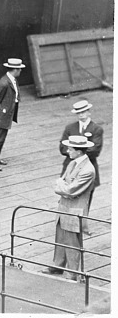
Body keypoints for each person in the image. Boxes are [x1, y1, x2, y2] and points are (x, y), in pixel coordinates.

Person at [41, 136, 96, 282]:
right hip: (64, 208)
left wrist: (60, 185)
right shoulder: (72, 163)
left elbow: (70, 190)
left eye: (70, 149)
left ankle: (72, 273)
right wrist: (63, 186)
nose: (67, 151)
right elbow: (65, 185)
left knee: (72, 242)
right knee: (60, 238)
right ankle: (57, 265)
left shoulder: (88, 170)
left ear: (79, 151)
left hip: (74, 211)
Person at [59, 100, 103, 233]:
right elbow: (62, 148)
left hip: (87, 167)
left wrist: (75, 150)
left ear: (89, 112)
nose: (81, 115)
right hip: (70, 168)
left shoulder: (96, 129)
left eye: (83, 112)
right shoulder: (70, 128)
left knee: (86, 198)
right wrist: (81, 150)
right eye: (78, 113)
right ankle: (66, 221)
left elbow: (95, 150)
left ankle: (82, 224)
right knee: (67, 193)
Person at [0, 58, 24, 171]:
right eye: (19, 69)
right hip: (3, 113)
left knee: (1, 137)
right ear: (15, 69)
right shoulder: (4, 82)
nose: (20, 71)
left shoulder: (11, 79)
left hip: (7, 112)